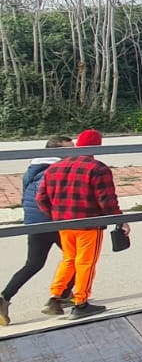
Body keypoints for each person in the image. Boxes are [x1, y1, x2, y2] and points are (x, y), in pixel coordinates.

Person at [34, 130, 129, 320]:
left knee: (69, 259)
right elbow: (107, 201)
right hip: (89, 223)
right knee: (86, 262)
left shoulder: (55, 167)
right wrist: (119, 220)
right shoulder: (97, 168)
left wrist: (55, 215)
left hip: (64, 222)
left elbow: (41, 198)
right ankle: (81, 303)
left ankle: (55, 296)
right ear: (96, 147)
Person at [1, 134, 75, 324]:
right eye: (70, 149)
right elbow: (57, 198)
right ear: (56, 153)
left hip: (35, 221)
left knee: (34, 263)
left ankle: (4, 298)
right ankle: (61, 295)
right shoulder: (55, 170)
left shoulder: (35, 168)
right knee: (78, 256)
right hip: (52, 221)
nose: (75, 152)